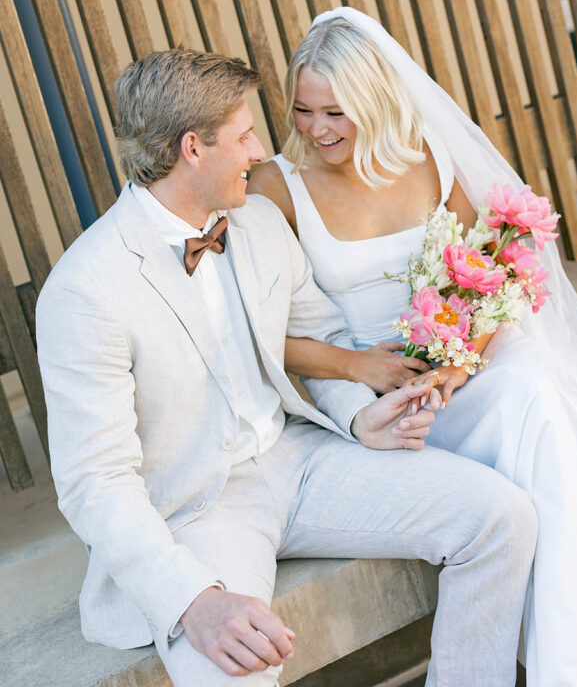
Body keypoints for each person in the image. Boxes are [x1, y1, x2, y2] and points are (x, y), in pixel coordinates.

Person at [36, 47, 537, 687]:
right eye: (244, 136)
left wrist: (363, 420)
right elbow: (94, 482)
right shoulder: (85, 290)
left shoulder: (259, 221)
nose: (258, 152)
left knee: (501, 518)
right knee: (233, 671)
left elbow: (320, 336)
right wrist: (196, 601)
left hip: (301, 461)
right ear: (193, 147)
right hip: (198, 510)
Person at [248, 7, 577, 687]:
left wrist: (461, 355)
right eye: (302, 111)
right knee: (541, 416)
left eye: (336, 113)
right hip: (385, 390)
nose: (317, 130)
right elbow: (259, 331)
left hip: (465, 362)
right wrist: (363, 368)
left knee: (534, 388)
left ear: (376, 101)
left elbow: (493, 270)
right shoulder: (275, 188)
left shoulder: (429, 157)